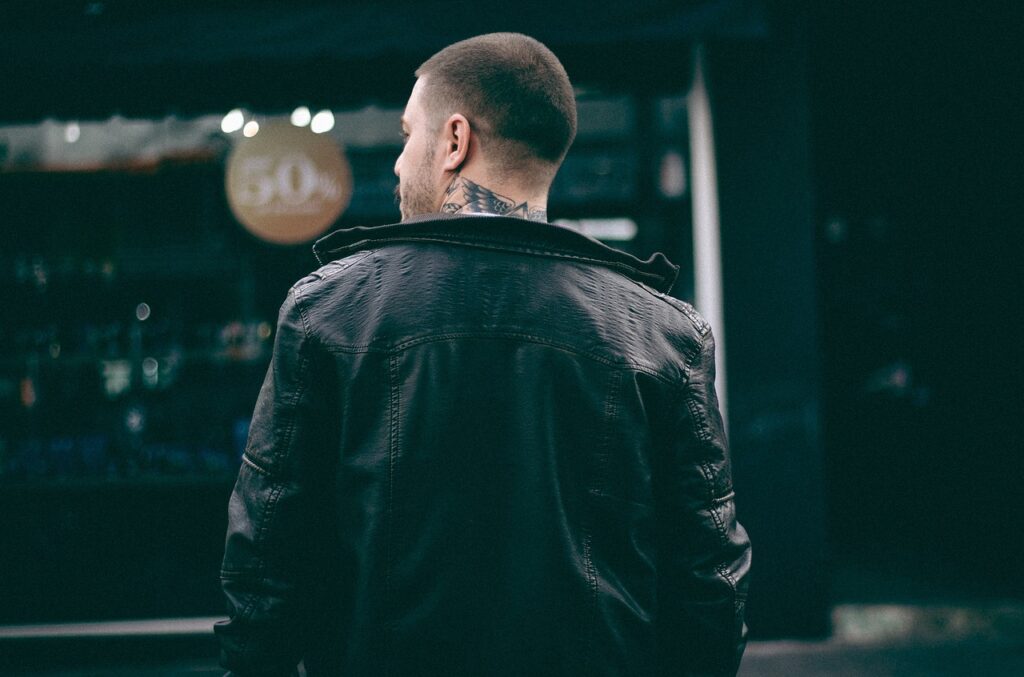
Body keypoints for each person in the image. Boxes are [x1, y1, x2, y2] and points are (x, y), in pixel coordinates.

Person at [216, 32, 751, 676]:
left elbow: (268, 559)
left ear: (454, 141)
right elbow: (709, 582)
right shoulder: (663, 335)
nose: (396, 163)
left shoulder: (329, 311)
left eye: (408, 134)